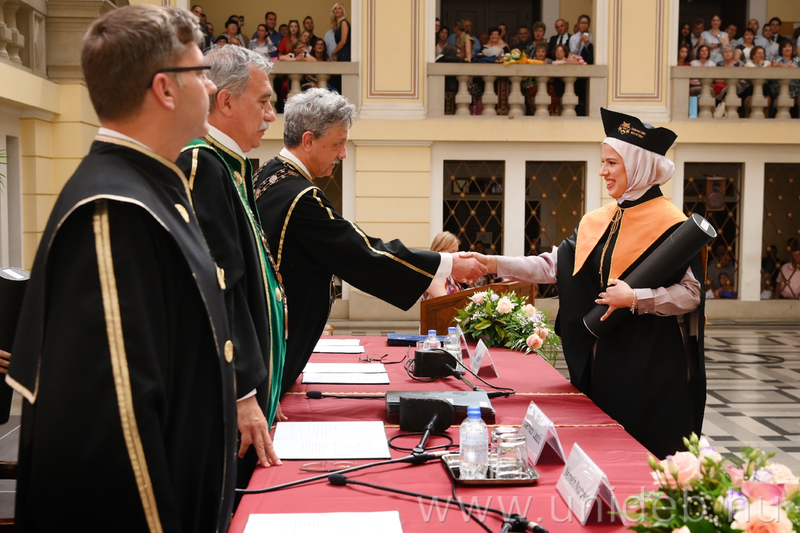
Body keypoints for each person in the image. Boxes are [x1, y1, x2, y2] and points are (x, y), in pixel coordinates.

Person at [6, 5, 237, 531]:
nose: (210, 84)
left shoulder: (148, 189)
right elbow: (116, 439)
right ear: (165, 88)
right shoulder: (112, 212)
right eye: (201, 71)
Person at [472, 108, 706, 459]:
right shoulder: (599, 219)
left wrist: (636, 298)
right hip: (604, 361)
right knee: (603, 447)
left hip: (651, 363)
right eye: (602, 162)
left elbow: (691, 294)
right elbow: (552, 266)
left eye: (611, 163)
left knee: (643, 453)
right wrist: (490, 263)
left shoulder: (672, 225)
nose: (602, 171)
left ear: (638, 166)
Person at [252, 89, 487, 394]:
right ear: (308, 140)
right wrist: (447, 264)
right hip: (273, 360)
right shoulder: (301, 198)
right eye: (338, 143)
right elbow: (362, 253)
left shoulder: (266, 174)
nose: (343, 154)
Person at [176, 45, 286, 500]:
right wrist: (243, 393)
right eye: (263, 101)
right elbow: (218, 285)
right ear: (225, 101)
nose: (271, 115)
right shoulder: (202, 163)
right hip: (226, 403)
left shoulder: (227, 165)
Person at [423, 232, 463, 300]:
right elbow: (444, 301)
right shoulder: (436, 274)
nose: (456, 256)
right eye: (451, 252)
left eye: (456, 252)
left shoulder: (447, 272)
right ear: (439, 251)